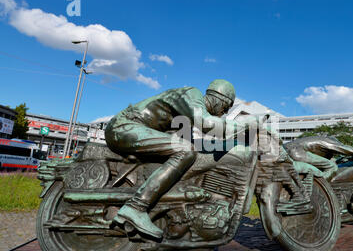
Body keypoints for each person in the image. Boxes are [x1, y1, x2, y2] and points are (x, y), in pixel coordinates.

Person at [105, 79, 250, 238]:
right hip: (125, 127)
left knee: (188, 150)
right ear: (219, 99)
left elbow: (200, 140)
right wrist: (249, 124)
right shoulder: (192, 94)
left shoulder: (187, 115)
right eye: (226, 107)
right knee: (186, 151)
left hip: (130, 129)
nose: (224, 113)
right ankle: (136, 207)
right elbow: (207, 124)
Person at [284, 136, 353, 180]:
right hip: (295, 152)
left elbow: (323, 160)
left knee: (320, 168)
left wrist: (340, 160)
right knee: (332, 167)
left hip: (286, 151)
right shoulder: (328, 141)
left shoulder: (315, 141)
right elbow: (348, 149)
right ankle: (321, 187)